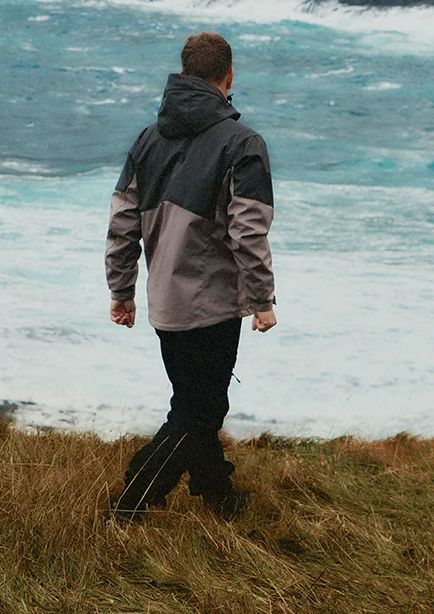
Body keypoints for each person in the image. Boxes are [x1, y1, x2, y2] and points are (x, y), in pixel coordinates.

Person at [105, 31, 276, 521]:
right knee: (199, 411)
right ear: (229, 77)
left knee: (194, 402)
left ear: (182, 75)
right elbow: (248, 231)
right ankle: (133, 498)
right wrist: (262, 299)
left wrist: (122, 290)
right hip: (212, 305)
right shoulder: (243, 144)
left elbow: (122, 222)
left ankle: (217, 494)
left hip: (164, 301)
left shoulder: (148, 138)